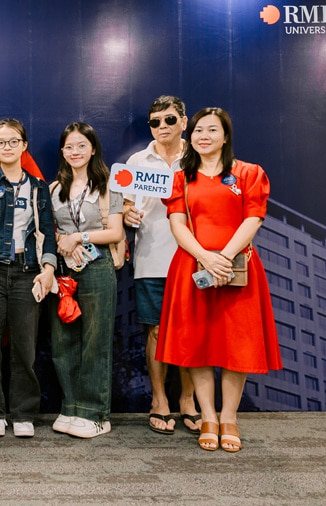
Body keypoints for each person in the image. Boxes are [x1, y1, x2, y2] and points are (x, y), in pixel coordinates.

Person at [156, 107, 282, 452]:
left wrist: (224, 258)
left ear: (225, 136)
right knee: (197, 344)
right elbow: (178, 223)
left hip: (236, 270)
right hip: (193, 269)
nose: (203, 136)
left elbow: (254, 219)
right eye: (197, 130)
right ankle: (207, 416)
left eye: (212, 130)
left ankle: (230, 417)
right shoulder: (182, 176)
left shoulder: (248, 173)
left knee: (235, 346)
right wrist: (205, 257)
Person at [0, 119, 56, 439]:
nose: (7, 147)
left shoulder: (38, 187)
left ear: (24, 145)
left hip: (27, 272)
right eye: (1, 142)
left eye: (13, 141)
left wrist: (48, 268)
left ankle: (23, 412)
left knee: (24, 347)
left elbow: (48, 234)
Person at [122, 96, 201, 435]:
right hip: (151, 259)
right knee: (154, 330)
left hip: (195, 258)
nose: (162, 127)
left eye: (169, 120)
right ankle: (159, 401)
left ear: (184, 121)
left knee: (191, 332)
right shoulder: (137, 161)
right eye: (155, 122)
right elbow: (124, 207)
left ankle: (188, 400)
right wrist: (127, 214)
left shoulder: (201, 158)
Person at [49, 122, 124, 439]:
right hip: (65, 271)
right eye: (69, 147)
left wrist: (77, 237)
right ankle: (71, 407)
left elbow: (116, 232)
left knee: (95, 340)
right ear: (63, 152)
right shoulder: (54, 189)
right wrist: (61, 242)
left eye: (81, 145)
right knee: (63, 340)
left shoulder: (109, 185)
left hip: (98, 268)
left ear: (92, 148)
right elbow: (48, 229)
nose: (75, 152)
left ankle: (95, 413)